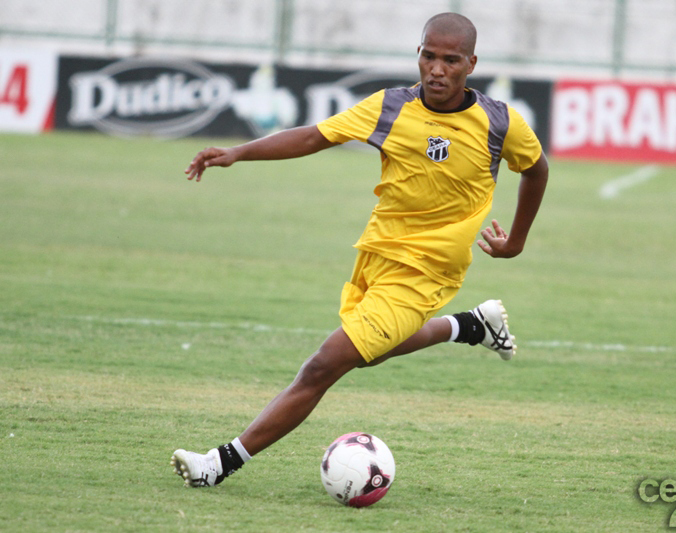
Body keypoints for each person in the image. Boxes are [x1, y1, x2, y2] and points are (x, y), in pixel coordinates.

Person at [171, 11, 548, 488]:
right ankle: (470, 326)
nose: (436, 69)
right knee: (367, 354)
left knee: (323, 365)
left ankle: (218, 464)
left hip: (429, 270)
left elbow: (536, 169)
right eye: (429, 56)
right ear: (419, 54)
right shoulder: (389, 107)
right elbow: (314, 135)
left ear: (471, 63)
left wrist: (515, 242)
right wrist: (240, 152)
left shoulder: (498, 121)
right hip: (378, 255)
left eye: (450, 60)